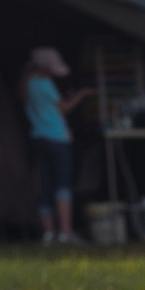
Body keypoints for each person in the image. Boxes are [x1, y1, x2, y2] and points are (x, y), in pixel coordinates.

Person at [21, 47, 93, 243]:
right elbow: (65, 108)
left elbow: (49, 110)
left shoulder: (27, 84)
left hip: (38, 138)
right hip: (57, 139)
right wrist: (82, 94)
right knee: (63, 185)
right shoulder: (45, 84)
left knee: (45, 184)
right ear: (45, 67)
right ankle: (66, 233)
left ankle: (49, 233)